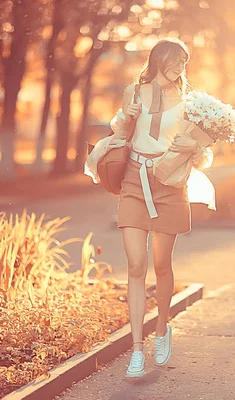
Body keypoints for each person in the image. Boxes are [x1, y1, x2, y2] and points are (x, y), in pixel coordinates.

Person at [85, 38, 215, 378]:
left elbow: (202, 155)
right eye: (176, 61)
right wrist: (127, 118)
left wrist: (195, 148)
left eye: (185, 62)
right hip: (133, 182)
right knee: (136, 265)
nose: (181, 68)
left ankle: (161, 330)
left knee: (161, 264)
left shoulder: (190, 103)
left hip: (170, 186)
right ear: (159, 60)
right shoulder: (135, 92)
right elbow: (121, 133)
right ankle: (137, 349)